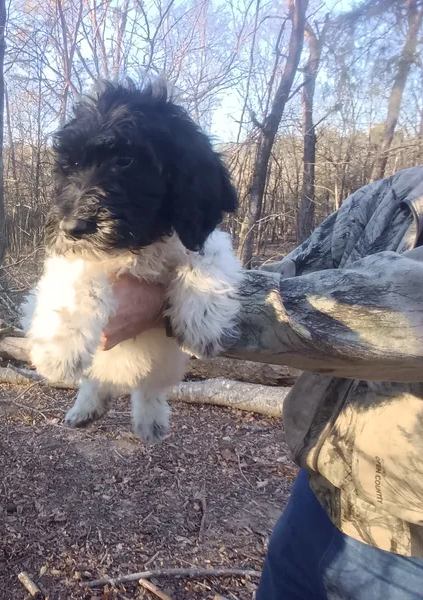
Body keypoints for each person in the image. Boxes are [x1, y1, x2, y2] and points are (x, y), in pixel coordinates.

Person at [100, 166, 423, 600]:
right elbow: (296, 271)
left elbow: (404, 315)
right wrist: (170, 281)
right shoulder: (397, 191)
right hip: (319, 495)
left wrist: (172, 305)